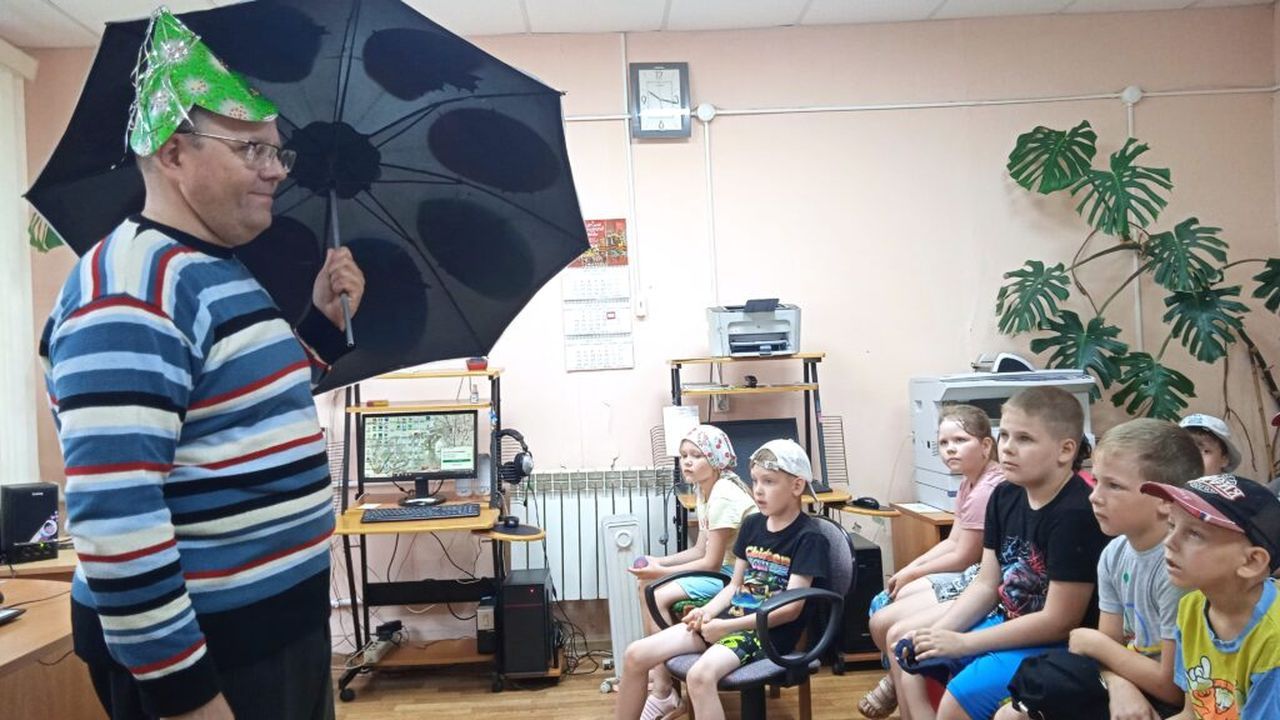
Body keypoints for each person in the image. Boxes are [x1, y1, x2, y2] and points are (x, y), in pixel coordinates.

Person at [39, 10, 364, 720]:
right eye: (251, 149)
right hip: (211, 662)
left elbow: (247, 411)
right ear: (173, 153)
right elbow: (117, 523)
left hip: (277, 636)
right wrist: (188, 698)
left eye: (277, 152)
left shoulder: (215, 268)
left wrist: (319, 324)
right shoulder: (130, 291)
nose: (276, 170)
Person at [891, 387, 1110, 720]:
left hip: (1057, 645)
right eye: (1004, 435)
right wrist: (942, 633)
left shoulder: (1075, 513)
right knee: (913, 656)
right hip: (1007, 621)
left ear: (1066, 450)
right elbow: (985, 584)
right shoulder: (1004, 495)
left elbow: (1058, 621)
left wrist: (963, 643)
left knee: (958, 699)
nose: (1007, 447)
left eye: (1024, 438)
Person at [993, 418, 1203, 720]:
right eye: (1096, 481)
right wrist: (1118, 684)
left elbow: (1172, 688)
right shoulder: (1114, 554)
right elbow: (1107, 649)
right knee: (1012, 712)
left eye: (1114, 486)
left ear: (1164, 501)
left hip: (1169, 704)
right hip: (1128, 684)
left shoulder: (1176, 568)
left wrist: (1094, 645)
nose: (1094, 496)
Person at [615, 440, 829, 720]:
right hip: (730, 621)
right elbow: (734, 586)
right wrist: (706, 612)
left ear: (797, 486)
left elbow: (790, 610)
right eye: (755, 480)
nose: (758, 490)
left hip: (767, 634)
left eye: (768, 481)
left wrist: (726, 627)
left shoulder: (809, 538)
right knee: (635, 655)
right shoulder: (752, 525)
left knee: (699, 676)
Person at [859, 404, 1005, 719]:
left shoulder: (988, 489)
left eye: (960, 440)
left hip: (977, 575)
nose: (950, 449)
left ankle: (897, 681)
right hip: (970, 570)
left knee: (886, 620)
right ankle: (898, 681)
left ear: (986, 445)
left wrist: (914, 573)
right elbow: (952, 541)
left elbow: (964, 555)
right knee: (887, 600)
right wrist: (909, 569)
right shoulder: (967, 483)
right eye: (943, 443)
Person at [627, 425, 757, 714]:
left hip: (738, 578)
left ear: (716, 460)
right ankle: (663, 680)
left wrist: (658, 572)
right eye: (684, 455)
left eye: (696, 456)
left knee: (654, 592)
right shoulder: (704, 489)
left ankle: (662, 687)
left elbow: (711, 564)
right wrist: (658, 562)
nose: (687, 461)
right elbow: (699, 550)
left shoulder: (723, 495)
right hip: (721, 569)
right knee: (647, 584)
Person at [1141, 474, 1280, 719]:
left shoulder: (1274, 639)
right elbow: (1191, 713)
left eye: (1194, 533)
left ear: (1251, 561)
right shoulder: (1191, 607)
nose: (1169, 541)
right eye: (1172, 525)